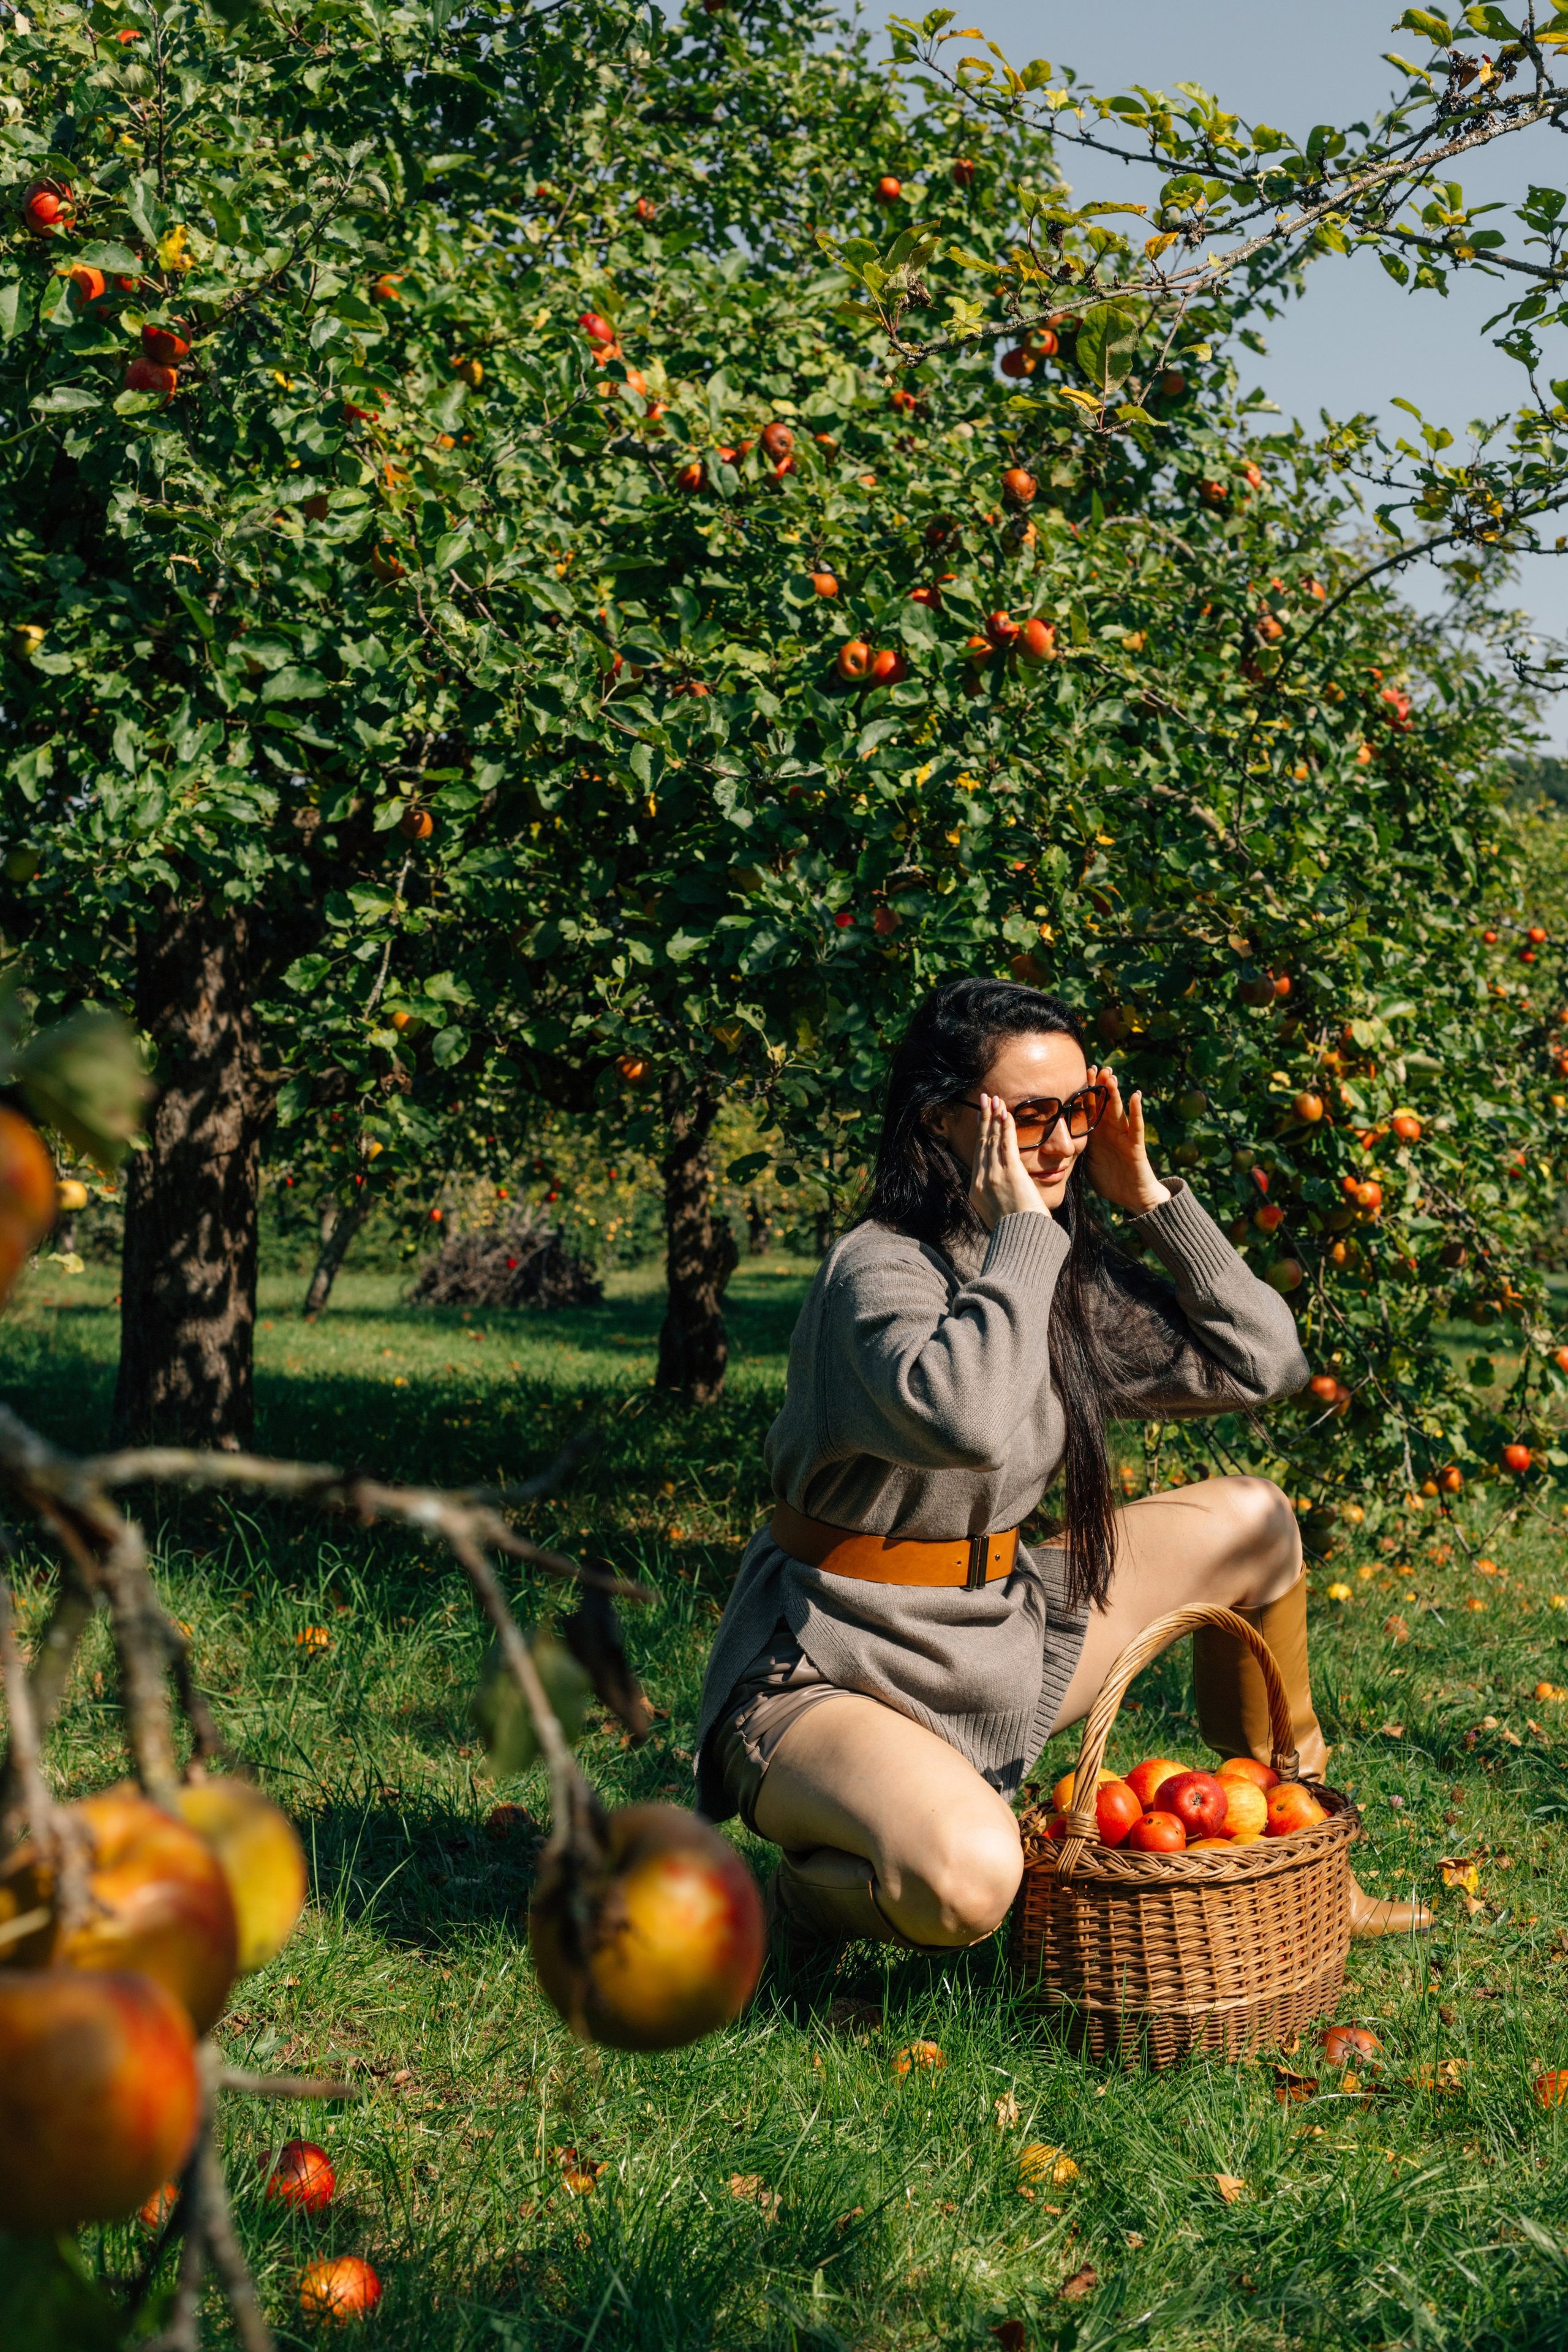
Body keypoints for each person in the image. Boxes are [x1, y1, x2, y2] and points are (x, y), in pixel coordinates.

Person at [694, 976, 1428, 1953]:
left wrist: (1153, 1200)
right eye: (1030, 1115)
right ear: (940, 1121)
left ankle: (1296, 1851)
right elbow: (975, 1422)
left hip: (1004, 1625)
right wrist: (1028, 1238)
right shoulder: (877, 1273)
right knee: (969, 1884)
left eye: (1079, 1109)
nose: (1065, 1141)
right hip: (831, 1663)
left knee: (1258, 1519)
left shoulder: (1054, 1264)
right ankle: (797, 1907)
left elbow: (1269, 1362)